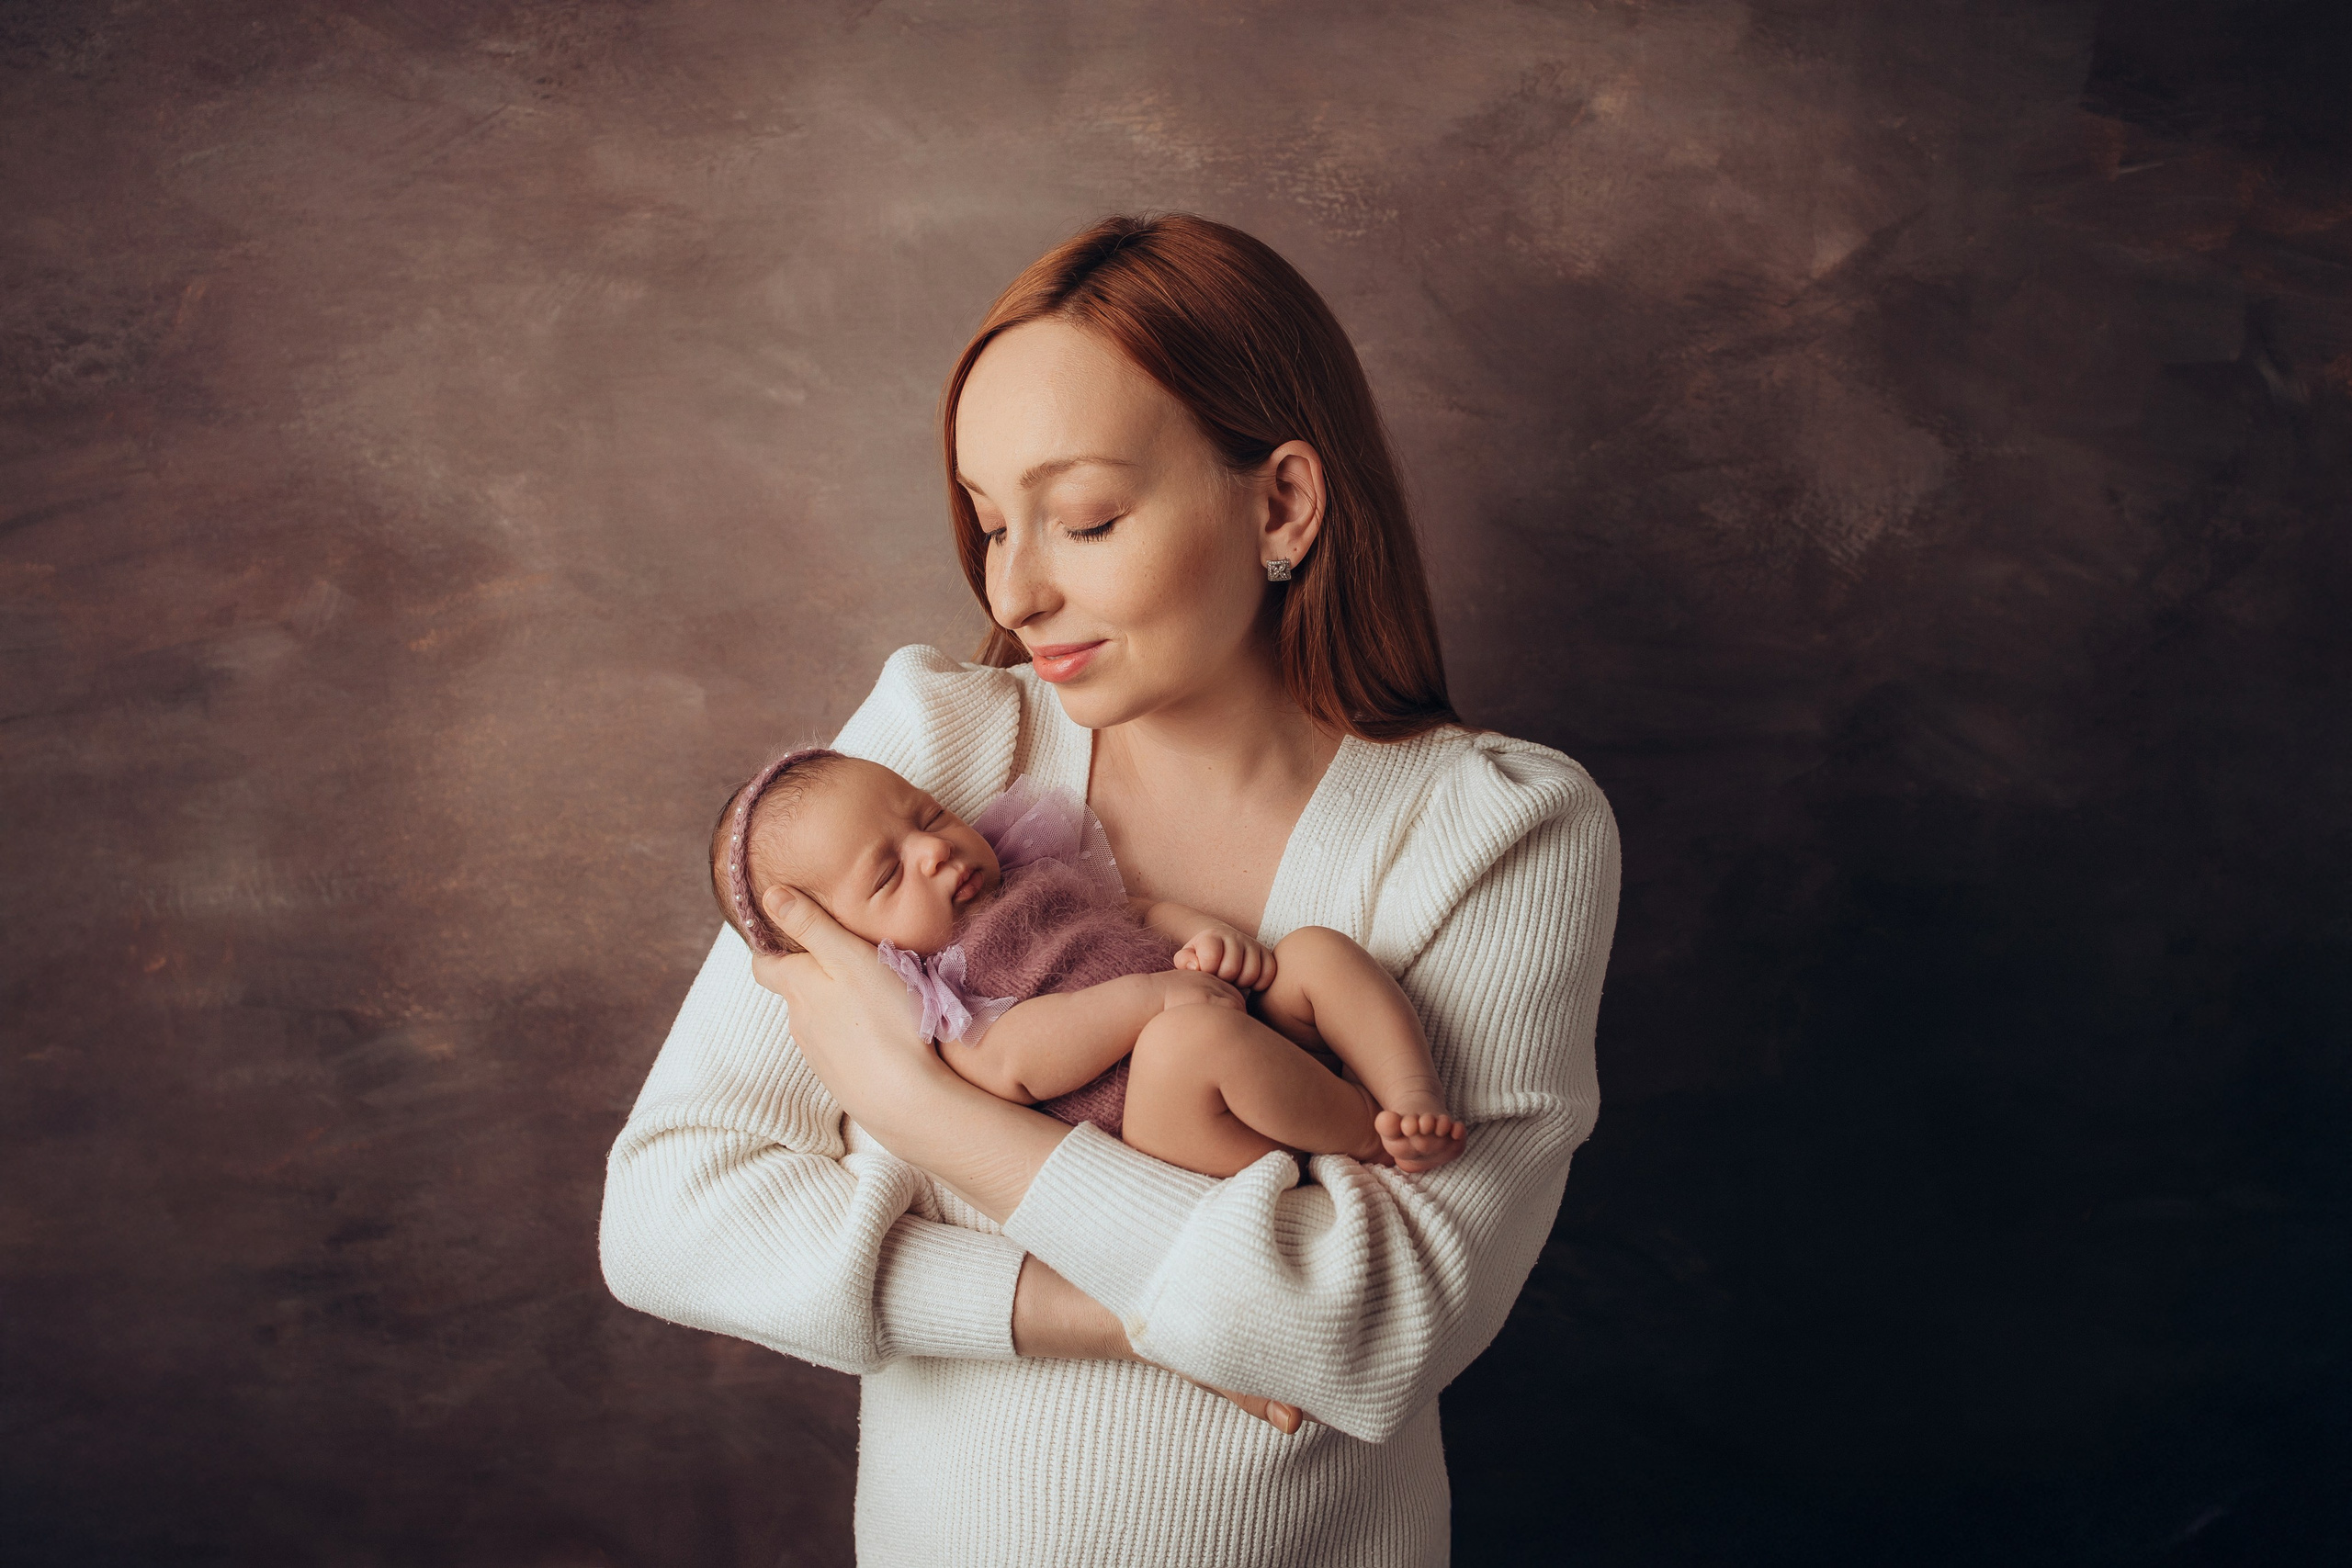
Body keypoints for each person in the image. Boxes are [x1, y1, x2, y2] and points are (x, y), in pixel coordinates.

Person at [600, 212, 1622, 1567]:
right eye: (987, 521)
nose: (1014, 588)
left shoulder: (1503, 831)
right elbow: (666, 1213)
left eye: (1083, 517)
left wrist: (924, 1107)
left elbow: (1378, 1330)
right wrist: (1110, 1309)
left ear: (1283, 504)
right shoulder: (933, 760)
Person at [707, 750, 1470, 1175]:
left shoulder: (1029, 869)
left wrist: (1201, 936)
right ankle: (1371, 1137)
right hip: (1171, 1118)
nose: (934, 850)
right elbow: (1015, 1062)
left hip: (1223, 1015)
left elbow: (1131, 916)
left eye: (926, 815)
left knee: (1312, 951)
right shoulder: (940, 995)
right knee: (1186, 1041)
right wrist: (1148, 1001)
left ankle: (1407, 1092)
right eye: (887, 874)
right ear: (843, 943)